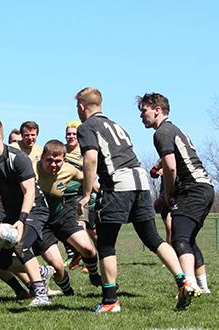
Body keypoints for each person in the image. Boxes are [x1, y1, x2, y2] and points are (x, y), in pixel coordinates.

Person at [75, 87, 195, 313]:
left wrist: (86, 193)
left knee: (106, 243)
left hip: (118, 184)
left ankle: (110, 301)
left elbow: (90, 159)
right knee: (153, 238)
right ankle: (184, 281)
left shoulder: (87, 127)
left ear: (82, 107)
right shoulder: (117, 125)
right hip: (140, 181)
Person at [138, 92, 214, 295]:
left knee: (179, 240)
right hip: (204, 187)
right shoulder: (174, 129)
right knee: (188, 239)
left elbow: (170, 168)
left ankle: (189, 286)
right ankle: (202, 286)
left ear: (157, 110)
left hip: (193, 189)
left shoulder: (162, 132)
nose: (141, 116)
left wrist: (167, 195)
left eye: (144, 110)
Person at [0, 117, 51, 307]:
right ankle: (40, 271)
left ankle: (41, 295)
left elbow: (29, 191)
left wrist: (22, 220)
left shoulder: (18, 158)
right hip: (10, 212)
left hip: (35, 208)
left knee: (20, 243)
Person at [34, 139, 102, 291]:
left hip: (62, 215)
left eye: (57, 161)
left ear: (64, 160)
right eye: (49, 160)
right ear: (42, 157)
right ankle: (67, 291)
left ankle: (94, 275)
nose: (53, 165)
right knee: (57, 266)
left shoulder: (69, 170)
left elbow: (87, 178)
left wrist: (97, 193)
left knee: (88, 249)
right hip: (41, 222)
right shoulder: (32, 169)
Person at [63, 121, 97, 271]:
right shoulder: (61, 151)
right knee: (83, 229)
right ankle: (80, 256)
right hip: (64, 196)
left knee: (88, 230)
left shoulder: (85, 151)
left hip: (81, 196)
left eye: (74, 134)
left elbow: (92, 172)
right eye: (68, 133)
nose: (71, 136)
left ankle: (96, 258)